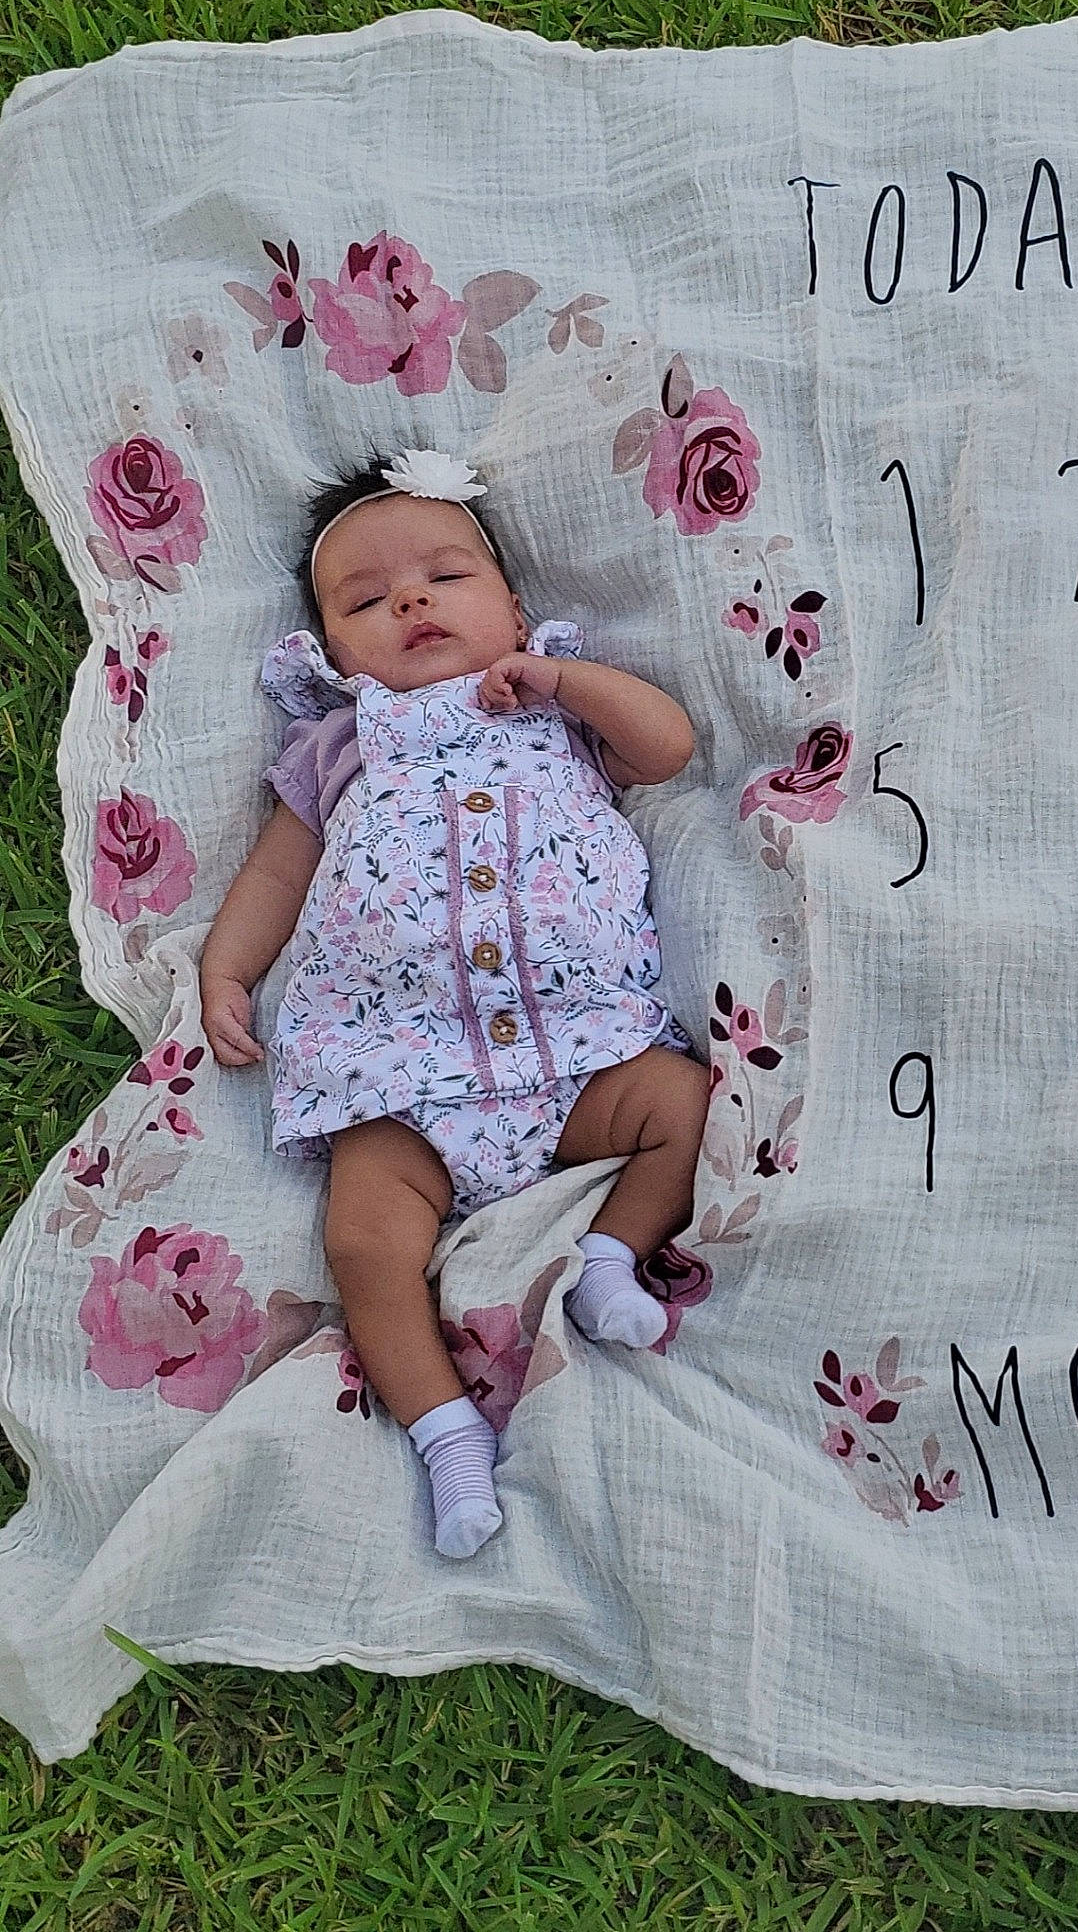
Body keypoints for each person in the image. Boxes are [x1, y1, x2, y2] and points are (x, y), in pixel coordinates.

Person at [199, 447, 710, 1559]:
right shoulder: (336, 743)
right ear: (334, 652)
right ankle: (446, 1436)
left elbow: (668, 746)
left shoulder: (557, 704)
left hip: (580, 1056)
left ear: (515, 607)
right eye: (368, 599)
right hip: (404, 1078)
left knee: (680, 1098)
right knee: (366, 1240)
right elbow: (279, 873)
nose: (412, 600)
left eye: (444, 575)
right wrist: (226, 969)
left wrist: (568, 682)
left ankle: (615, 1253)